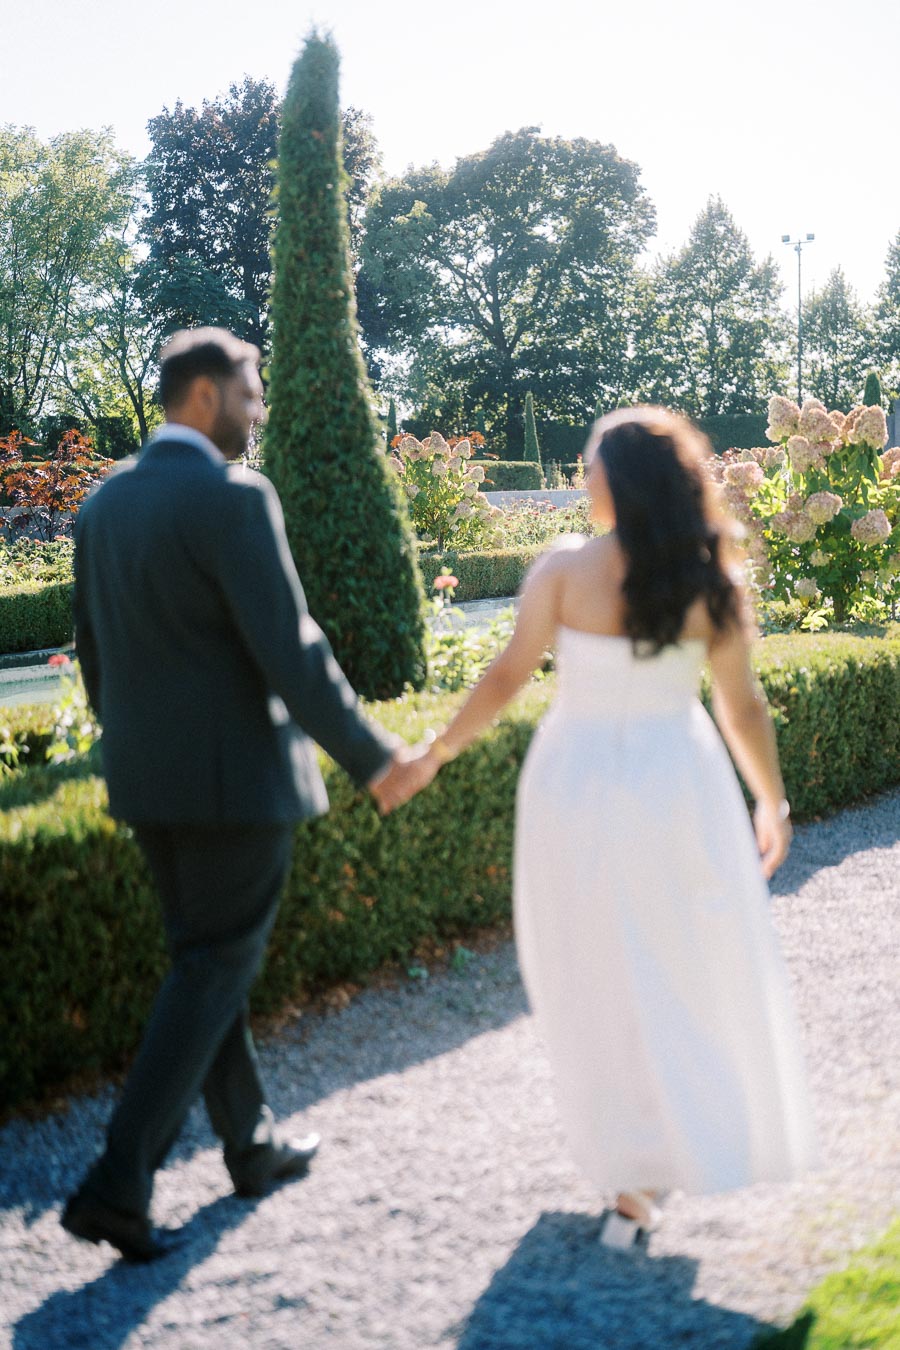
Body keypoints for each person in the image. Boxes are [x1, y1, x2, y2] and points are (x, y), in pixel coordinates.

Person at [400, 405, 817, 1248]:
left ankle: (631, 1165)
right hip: (678, 784)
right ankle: (666, 1151)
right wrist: (769, 799)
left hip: (575, 785)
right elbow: (741, 707)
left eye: (590, 464)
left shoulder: (561, 570)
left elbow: (508, 675)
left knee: (588, 968)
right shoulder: (713, 582)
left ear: (619, 481)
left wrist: (437, 750)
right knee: (678, 962)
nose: (583, 479)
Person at [62, 327, 422, 1262]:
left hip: (147, 785)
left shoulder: (103, 506)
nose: (259, 412)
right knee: (214, 968)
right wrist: (376, 758)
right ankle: (116, 1180)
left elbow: (96, 661)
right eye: (251, 393)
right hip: (236, 789)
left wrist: (137, 750)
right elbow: (292, 650)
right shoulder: (233, 497)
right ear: (205, 397)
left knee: (201, 962)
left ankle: (250, 1145)